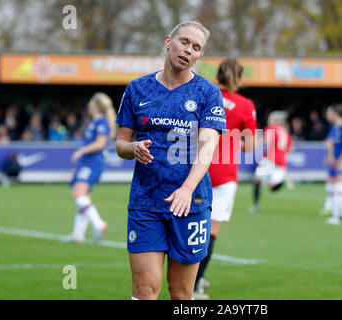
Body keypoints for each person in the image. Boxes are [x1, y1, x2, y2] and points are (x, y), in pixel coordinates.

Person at [115, 20, 226, 300]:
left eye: (197, 47)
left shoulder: (208, 93)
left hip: (191, 202)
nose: (188, 50)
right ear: (168, 42)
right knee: (145, 289)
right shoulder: (137, 89)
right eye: (184, 42)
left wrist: (187, 189)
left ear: (200, 56)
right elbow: (120, 144)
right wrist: (133, 148)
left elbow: (207, 146)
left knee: (180, 293)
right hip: (146, 201)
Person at [193, 58, 257, 299]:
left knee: (191, 227)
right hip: (224, 174)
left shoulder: (205, 93)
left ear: (217, 75)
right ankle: (195, 285)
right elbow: (250, 146)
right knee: (210, 233)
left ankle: (189, 278)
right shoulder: (245, 105)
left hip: (198, 169)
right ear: (239, 78)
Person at [62, 92, 117, 243]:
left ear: (96, 105)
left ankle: (99, 224)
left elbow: (100, 143)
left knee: (77, 196)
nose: (88, 106)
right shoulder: (95, 122)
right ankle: (77, 235)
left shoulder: (101, 123)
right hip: (86, 163)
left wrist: (80, 152)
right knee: (84, 197)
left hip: (92, 163)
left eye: (91, 103)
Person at [250, 110, 292, 213]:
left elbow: (265, 141)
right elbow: (290, 149)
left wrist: (255, 141)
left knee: (256, 180)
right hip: (281, 161)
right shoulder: (285, 131)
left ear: (275, 120)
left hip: (270, 159)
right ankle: (281, 181)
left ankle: (255, 205)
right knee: (272, 187)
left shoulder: (271, 129)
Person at [321, 104, 342, 225]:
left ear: (335, 114)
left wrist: (341, 159)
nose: (327, 115)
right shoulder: (334, 127)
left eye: (329, 113)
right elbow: (330, 143)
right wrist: (329, 157)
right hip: (335, 160)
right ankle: (336, 215)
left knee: (341, 188)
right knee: (334, 188)